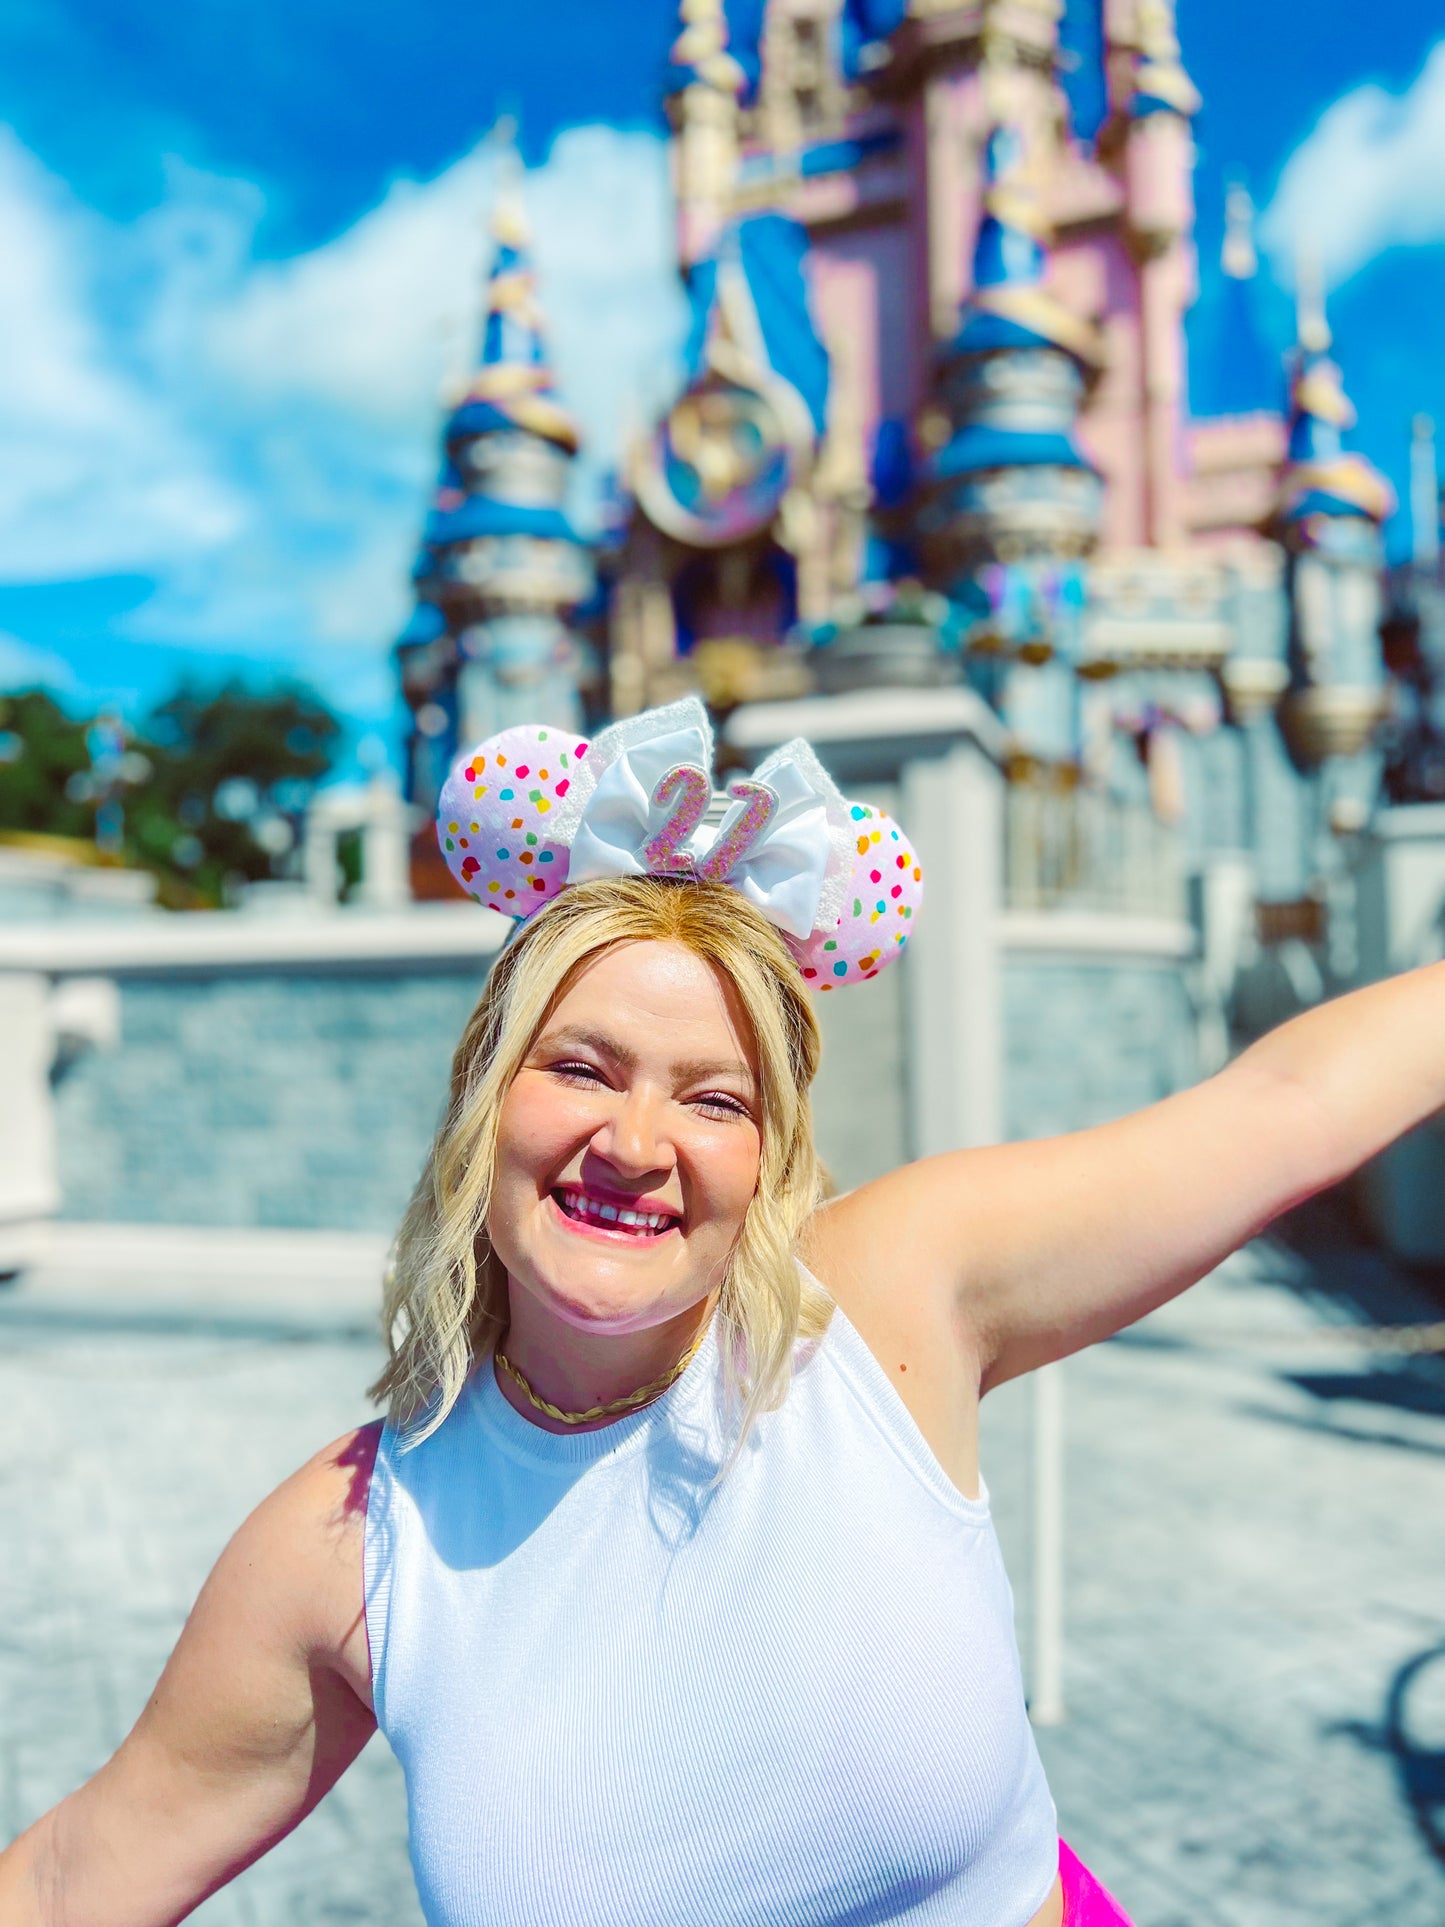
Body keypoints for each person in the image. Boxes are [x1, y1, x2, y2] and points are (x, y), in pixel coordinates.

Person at [2, 698, 1442, 1927]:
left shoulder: (887, 1303)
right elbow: (79, 1873)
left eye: (712, 1098)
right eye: (579, 1067)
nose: (636, 1142)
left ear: (769, 1157)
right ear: (481, 1098)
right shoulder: (346, 1544)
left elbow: (1284, 1105)